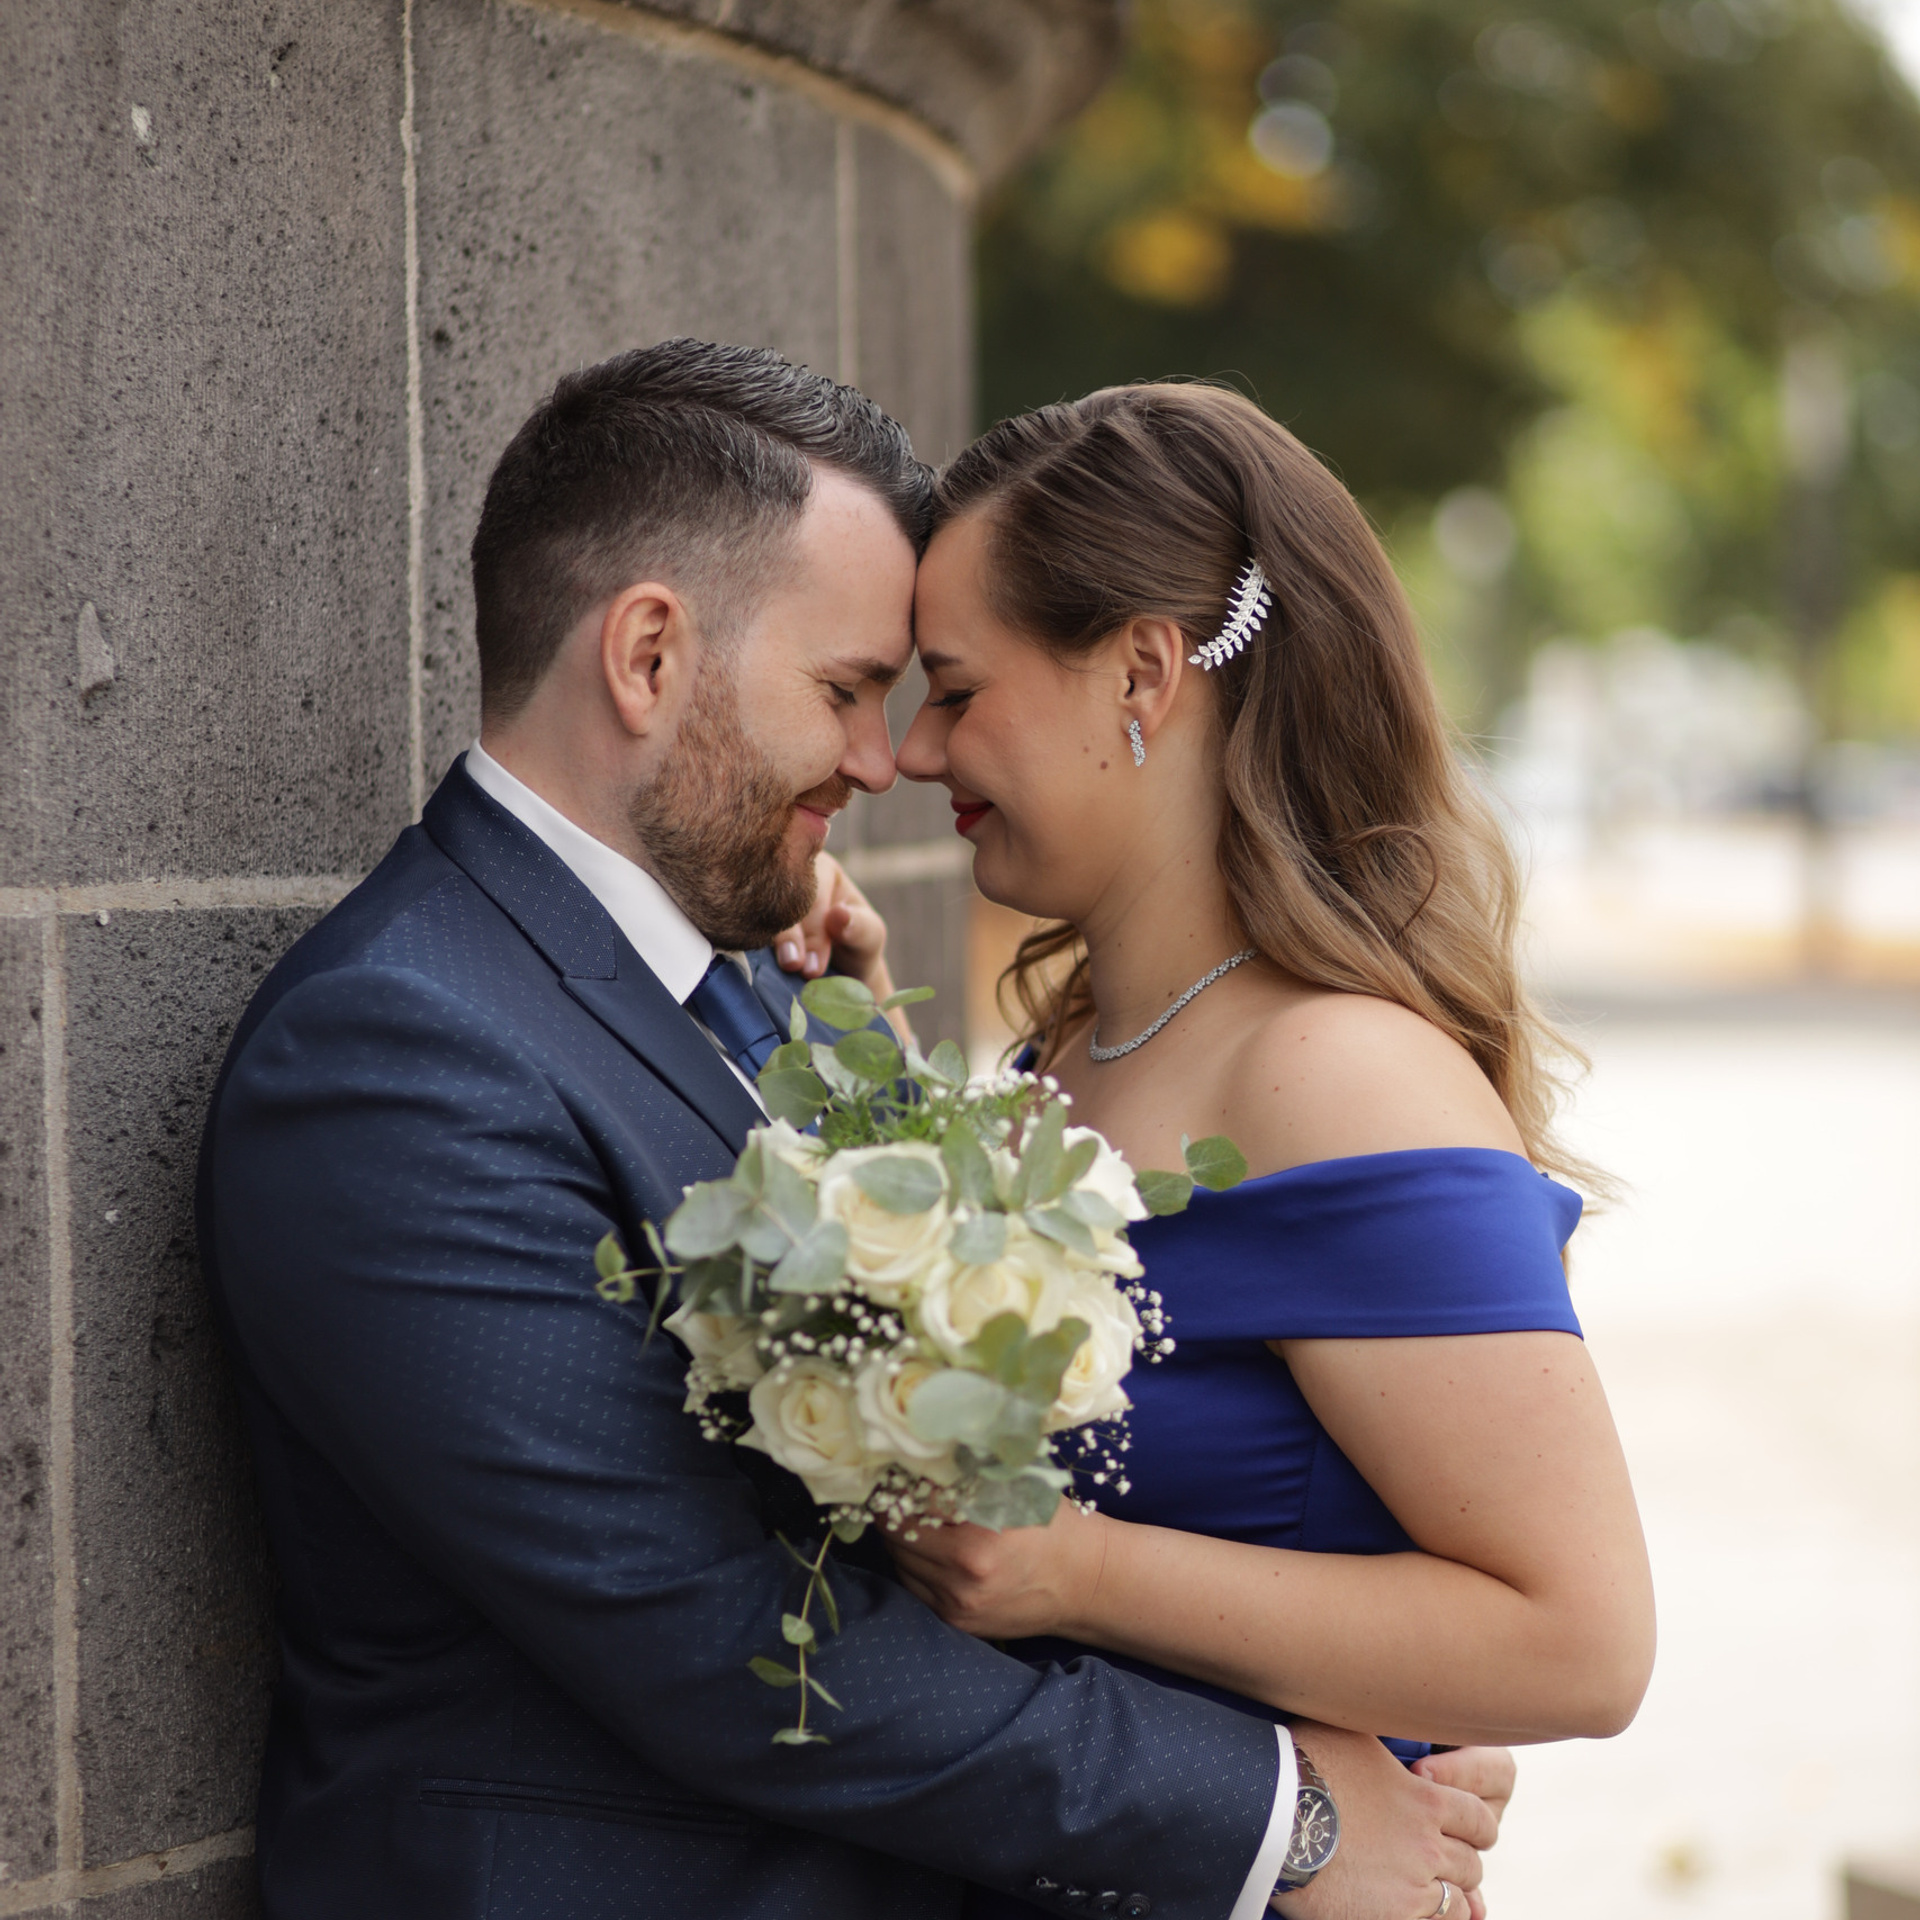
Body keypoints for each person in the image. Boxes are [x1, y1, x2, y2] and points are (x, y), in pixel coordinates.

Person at [197, 340, 1512, 1920]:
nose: (887, 762)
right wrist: (1276, 1808)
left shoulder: (739, 989)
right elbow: (710, 1633)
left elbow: (913, 1462)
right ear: (650, 655)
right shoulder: (401, 1053)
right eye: (849, 693)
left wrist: (1349, 1701)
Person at [890, 383, 1659, 1920]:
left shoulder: (1338, 1072)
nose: (915, 749)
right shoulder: (1069, 1045)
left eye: (959, 689)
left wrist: (1079, 1571)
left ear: (1144, 671)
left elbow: (1584, 1641)